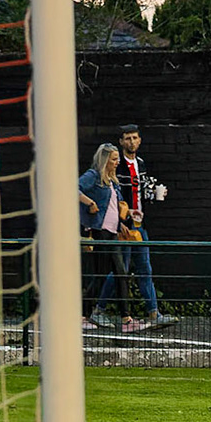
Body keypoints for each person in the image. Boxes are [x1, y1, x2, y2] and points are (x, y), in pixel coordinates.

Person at [103, 124, 176, 329]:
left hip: (139, 224)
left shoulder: (141, 164)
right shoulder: (117, 165)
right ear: (121, 142)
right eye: (127, 138)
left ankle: (153, 312)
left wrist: (154, 196)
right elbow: (115, 196)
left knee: (144, 268)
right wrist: (119, 223)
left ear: (140, 140)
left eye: (134, 138)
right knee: (121, 269)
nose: (131, 142)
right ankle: (98, 309)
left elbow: (141, 193)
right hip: (125, 226)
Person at [78, 143, 142, 333]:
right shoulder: (94, 176)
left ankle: (124, 318)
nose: (117, 162)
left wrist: (124, 219)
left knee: (114, 273)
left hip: (112, 232)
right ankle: (87, 315)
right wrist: (90, 203)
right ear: (104, 160)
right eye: (113, 159)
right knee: (110, 273)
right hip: (101, 232)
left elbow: (113, 207)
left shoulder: (112, 181)